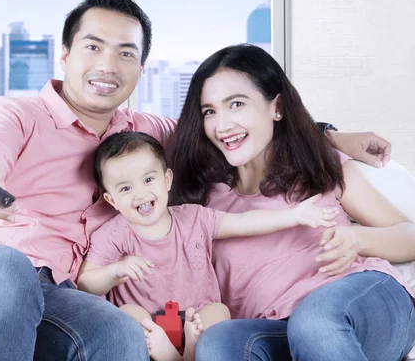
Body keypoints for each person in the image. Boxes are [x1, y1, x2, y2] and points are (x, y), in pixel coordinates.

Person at [0, 0, 395, 360]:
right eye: (93, 47)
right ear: (66, 55)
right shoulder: (15, 113)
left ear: (140, 69)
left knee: (118, 332)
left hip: (58, 297)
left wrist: (333, 135)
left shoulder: (147, 133)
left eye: (126, 53)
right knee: (5, 266)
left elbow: (240, 125)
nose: (108, 64)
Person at [168, 43, 415, 361]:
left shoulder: (318, 166)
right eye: (209, 111)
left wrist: (357, 239)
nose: (222, 125)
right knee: (218, 343)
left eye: (237, 104)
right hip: (275, 330)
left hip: (362, 304)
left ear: (277, 107)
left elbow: (409, 235)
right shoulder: (202, 203)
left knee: (314, 322)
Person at [78, 131, 339, 361]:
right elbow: (86, 283)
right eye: (125, 188)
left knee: (219, 311)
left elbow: (243, 222)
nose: (140, 193)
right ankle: (168, 354)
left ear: (167, 180)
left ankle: (192, 351)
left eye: (148, 180)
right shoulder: (114, 234)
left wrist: (292, 217)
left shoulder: (194, 217)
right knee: (127, 313)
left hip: (196, 320)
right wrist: (116, 270)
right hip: (151, 328)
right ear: (112, 200)